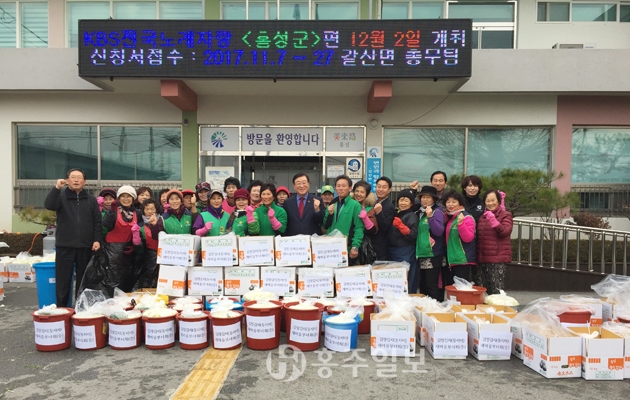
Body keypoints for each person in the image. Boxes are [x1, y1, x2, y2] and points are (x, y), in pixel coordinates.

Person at [44, 168, 101, 307]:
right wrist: (57, 188)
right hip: (65, 246)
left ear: (84, 182)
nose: (76, 180)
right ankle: (62, 309)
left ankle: (81, 309)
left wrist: (97, 240)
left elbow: (97, 222)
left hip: (86, 246)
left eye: (79, 177)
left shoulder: (91, 200)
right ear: (67, 180)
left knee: (84, 281)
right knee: (63, 281)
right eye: (73, 177)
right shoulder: (61, 197)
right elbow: (49, 205)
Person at [102, 186, 140, 293]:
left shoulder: (137, 213)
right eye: (123, 196)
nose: (126, 199)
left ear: (133, 198)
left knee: (127, 279)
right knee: (112, 280)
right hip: (112, 252)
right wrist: (111, 211)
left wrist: (134, 245)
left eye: (129, 196)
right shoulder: (113, 210)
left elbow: (139, 232)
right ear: (118, 198)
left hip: (128, 252)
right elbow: (106, 224)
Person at [475, 190, 513, 295]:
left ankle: (498, 306)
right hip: (482, 259)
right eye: (488, 201)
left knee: (496, 292)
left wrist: (493, 220)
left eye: (493, 200)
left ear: (499, 201)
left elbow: (505, 232)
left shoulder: (505, 215)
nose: (490, 203)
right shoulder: (482, 217)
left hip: (497, 260)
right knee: (481, 291)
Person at [322, 175, 364, 265]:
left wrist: (355, 246)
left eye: (344, 186)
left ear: (350, 188)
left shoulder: (355, 205)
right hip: (331, 248)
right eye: (338, 186)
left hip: (347, 248)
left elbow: (359, 227)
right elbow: (325, 225)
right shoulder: (332, 204)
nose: (340, 188)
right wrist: (329, 214)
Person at [415, 186, 446, 300]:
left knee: (432, 284)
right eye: (423, 197)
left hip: (434, 254)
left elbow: (438, 231)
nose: (425, 200)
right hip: (422, 253)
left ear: (434, 199)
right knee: (423, 285)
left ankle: (436, 307)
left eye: (428, 197)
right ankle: (426, 307)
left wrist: (430, 217)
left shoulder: (437, 212)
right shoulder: (419, 212)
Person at [443, 190, 476, 285]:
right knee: (451, 290)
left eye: (454, 202)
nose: (450, 204)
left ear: (460, 203)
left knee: (461, 289)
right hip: (451, 260)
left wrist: (461, 224)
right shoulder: (449, 217)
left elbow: (468, 238)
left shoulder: (467, 217)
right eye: (448, 202)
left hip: (462, 260)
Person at [389, 189, 419, 293]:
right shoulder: (398, 214)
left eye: (406, 201)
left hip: (405, 251)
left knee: (406, 279)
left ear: (411, 203)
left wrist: (401, 226)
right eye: (401, 200)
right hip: (394, 251)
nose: (403, 203)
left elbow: (413, 235)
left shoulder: (412, 216)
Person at [135, 198, 160, 289]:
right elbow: (140, 248)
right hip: (148, 258)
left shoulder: (162, 222)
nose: (150, 211)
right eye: (147, 209)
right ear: (143, 211)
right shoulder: (140, 226)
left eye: (152, 209)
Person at [371, 176, 396, 260]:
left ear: (389, 190)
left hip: (381, 248)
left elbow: (385, 227)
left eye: (384, 187)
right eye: (378, 186)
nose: (380, 189)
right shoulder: (374, 203)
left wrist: (379, 213)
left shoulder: (389, 206)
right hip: (373, 245)